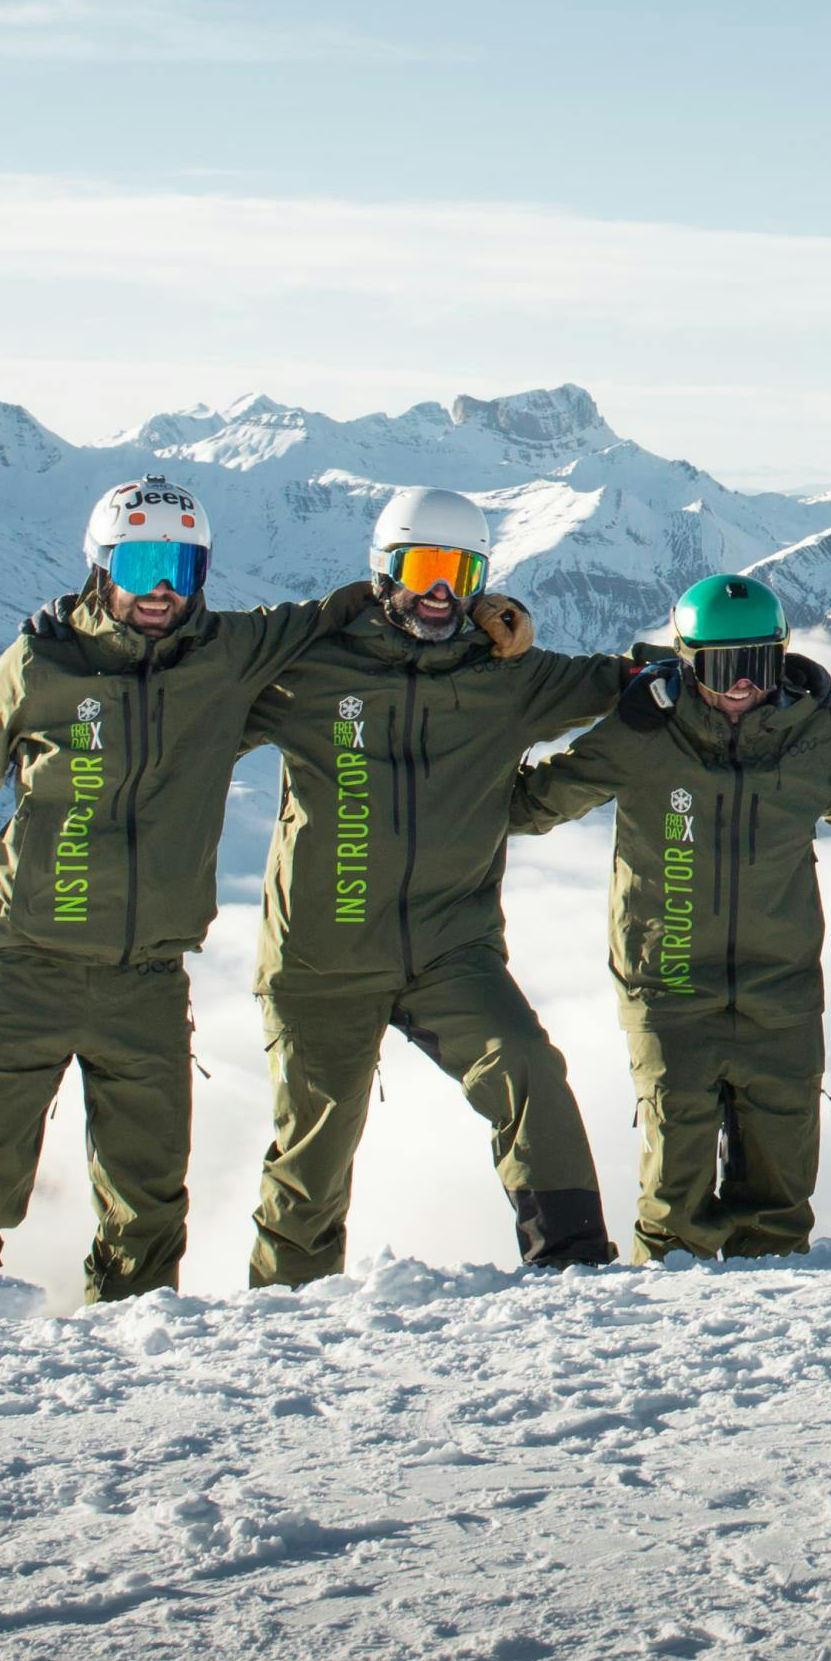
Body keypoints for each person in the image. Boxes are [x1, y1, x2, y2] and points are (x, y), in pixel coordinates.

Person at [0, 478, 382, 1310]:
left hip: (149, 982)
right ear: (99, 564)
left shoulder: (227, 653)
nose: (162, 587)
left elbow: (345, 609)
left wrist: (471, 607)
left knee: (148, 1206)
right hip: (26, 970)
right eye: (143, 561)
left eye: (183, 567)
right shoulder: (41, 663)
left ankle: (125, 1376)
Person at [236, 485, 624, 1284]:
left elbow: (622, 683)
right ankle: (282, 1315)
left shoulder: (505, 678)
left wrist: (746, 666)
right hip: (322, 955)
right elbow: (189, 701)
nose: (442, 591)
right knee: (313, 1150)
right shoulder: (310, 669)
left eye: (461, 571)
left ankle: (575, 1264)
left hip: (451, 948)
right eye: (423, 568)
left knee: (525, 1065)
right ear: (384, 572)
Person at [510, 576, 831, 1260]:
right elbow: (532, 806)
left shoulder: (810, 735)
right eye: (722, 667)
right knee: (676, 1208)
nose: (740, 686)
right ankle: (663, 1336)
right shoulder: (646, 733)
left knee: (781, 1209)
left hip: (780, 993)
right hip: (669, 987)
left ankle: (778, 1343)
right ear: (688, 662)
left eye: (757, 665)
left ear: (782, 658)